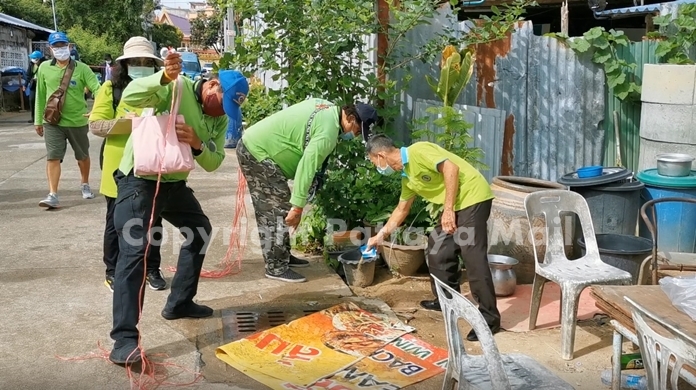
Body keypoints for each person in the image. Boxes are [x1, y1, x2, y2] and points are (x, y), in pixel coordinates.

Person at [108, 51, 249, 365]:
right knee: (135, 251)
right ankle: (124, 340)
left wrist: (198, 143)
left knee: (200, 231)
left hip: (174, 183)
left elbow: (213, 161)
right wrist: (163, 78)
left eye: (227, 110)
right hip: (141, 179)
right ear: (212, 85)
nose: (219, 114)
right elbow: (131, 96)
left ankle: (180, 302)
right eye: (220, 104)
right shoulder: (178, 86)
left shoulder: (221, 115)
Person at [364, 134, 501, 342]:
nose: (378, 168)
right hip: (456, 204)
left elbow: (451, 168)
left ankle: (489, 320)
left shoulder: (418, 151)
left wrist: (448, 210)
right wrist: (380, 236)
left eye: (375, 163)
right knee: (437, 247)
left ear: (381, 155)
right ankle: (446, 300)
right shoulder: (406, 176)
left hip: (473, 197)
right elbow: (402, 210)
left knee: (472, 256)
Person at [237, 100, 380, 283]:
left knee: (279, 207)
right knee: (275, 210)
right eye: (358, 130)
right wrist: (297, 207)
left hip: (259, 148)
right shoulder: (327, 133)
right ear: (350, 118)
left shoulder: (327, 109)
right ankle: (276, 267)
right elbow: (307, 166)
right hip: (258, 152)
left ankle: (283, 257)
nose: (356, 134)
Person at [88, 37, 167, 293]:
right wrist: (126, 122)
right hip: (119, 164)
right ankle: (113, 270)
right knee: (115, 221)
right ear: (124, 64)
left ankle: (152, 269)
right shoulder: (111, 89)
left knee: (153, 220)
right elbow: (96, 125)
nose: (141, 65)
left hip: (152, 161)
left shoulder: (162, 90)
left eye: (147, 62)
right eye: (135, 61)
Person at [34, 31, 101, 209]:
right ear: (50, 49)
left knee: (82, 157)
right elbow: (40, 95)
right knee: (53, 157)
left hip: (77, 121)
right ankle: (53, 194)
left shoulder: (82, 68)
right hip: (52, 122)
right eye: (56, 46)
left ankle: (85, 183)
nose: (60, 49)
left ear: (69, 46)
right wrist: (37, 120)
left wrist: (97, 109)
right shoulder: (44, 68)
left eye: (63, 45)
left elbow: (98, 89)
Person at [25, 51, 47, 124]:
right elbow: (28, 75)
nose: (33, 60)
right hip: (33, 84)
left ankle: (45, 116)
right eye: (32, 58)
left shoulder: (45, 65)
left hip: (43, 84)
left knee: (44, 100)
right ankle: (33, 118)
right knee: (32, 100)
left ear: (39, 59)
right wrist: (25, 85)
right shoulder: (31, 64)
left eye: (34, 58)